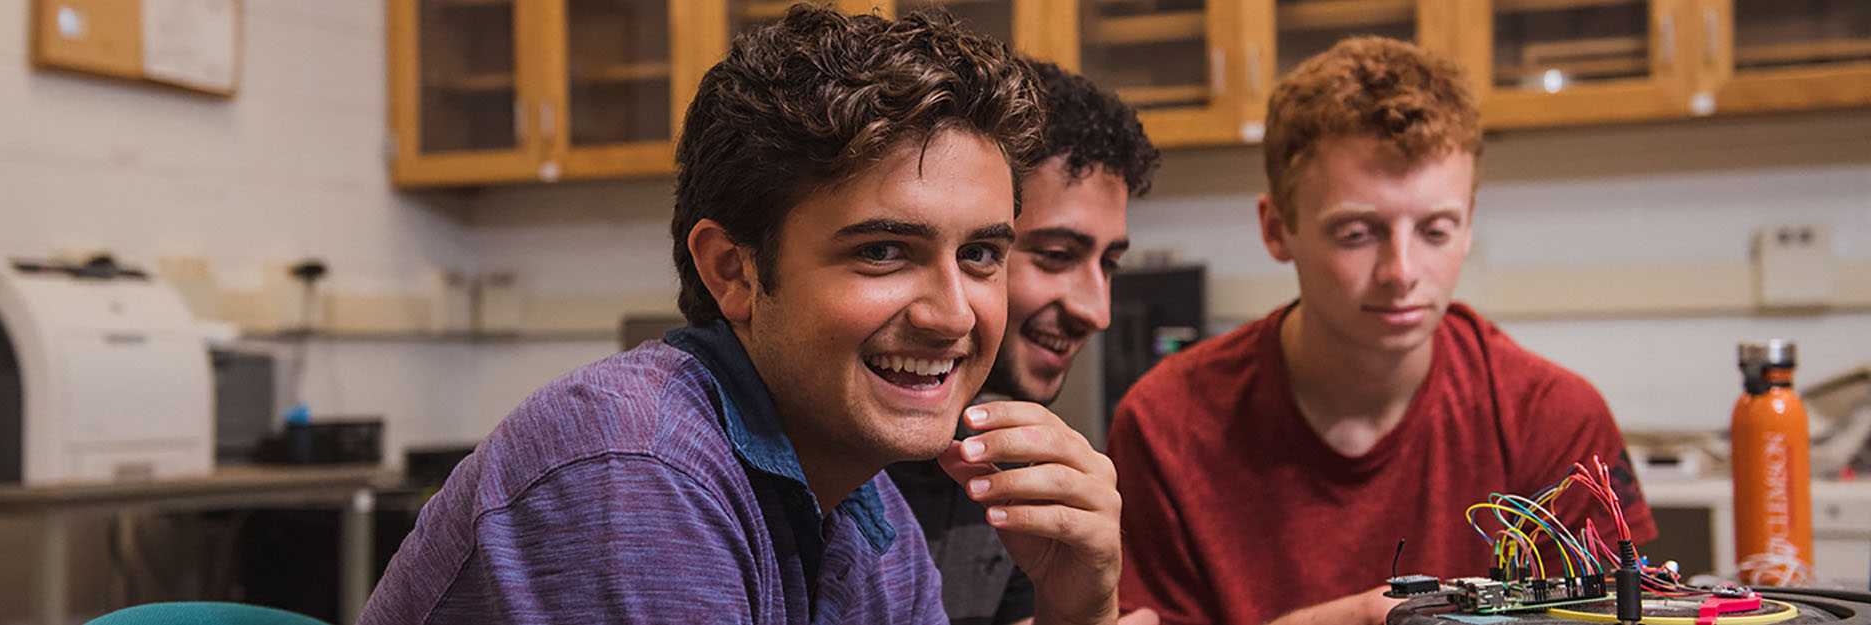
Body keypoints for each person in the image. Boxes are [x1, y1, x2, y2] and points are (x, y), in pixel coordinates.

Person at [361, 7, 1124, 625]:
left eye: (982, 255)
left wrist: (1074, 612)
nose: (953, 314)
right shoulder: (637, 473)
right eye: (885, 251)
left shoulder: (866, 512)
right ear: (734, 269)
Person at [1106, 36, 1658, 625]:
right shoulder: (1166, 425)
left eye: (1436, 231)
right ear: (1276, 228)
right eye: (1357, 233)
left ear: (1469, 226)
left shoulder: (1553, 421)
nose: (1402, 273)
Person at [885, 59, 1159, 625]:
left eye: (1109, 263)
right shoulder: (838, 455)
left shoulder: (1007, 463)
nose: (1097, 311)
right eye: (1056, 256)